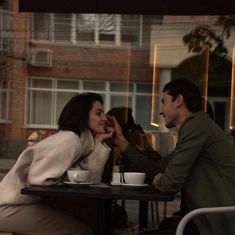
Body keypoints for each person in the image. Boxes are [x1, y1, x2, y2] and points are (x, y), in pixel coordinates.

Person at [112, 78, 235, 235]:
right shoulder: (195, 130)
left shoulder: (196, 126)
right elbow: (154, 170)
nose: (161, 111)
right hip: (200, 221)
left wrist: (162, 179)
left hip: (215, 224)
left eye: (164, 102)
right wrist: (121, 141)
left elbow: (169, 183)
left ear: (178, 100)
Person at [0, 92, 114, 235]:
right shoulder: (69, 140)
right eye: (99, 113)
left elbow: (91, 179)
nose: (104, 118)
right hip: (9, 207)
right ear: (82, 115)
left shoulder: (80, 142)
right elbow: (38, 179)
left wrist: (99, 141)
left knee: (84, 223)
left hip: (23, 204)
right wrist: (68, 179)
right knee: (81, 231)